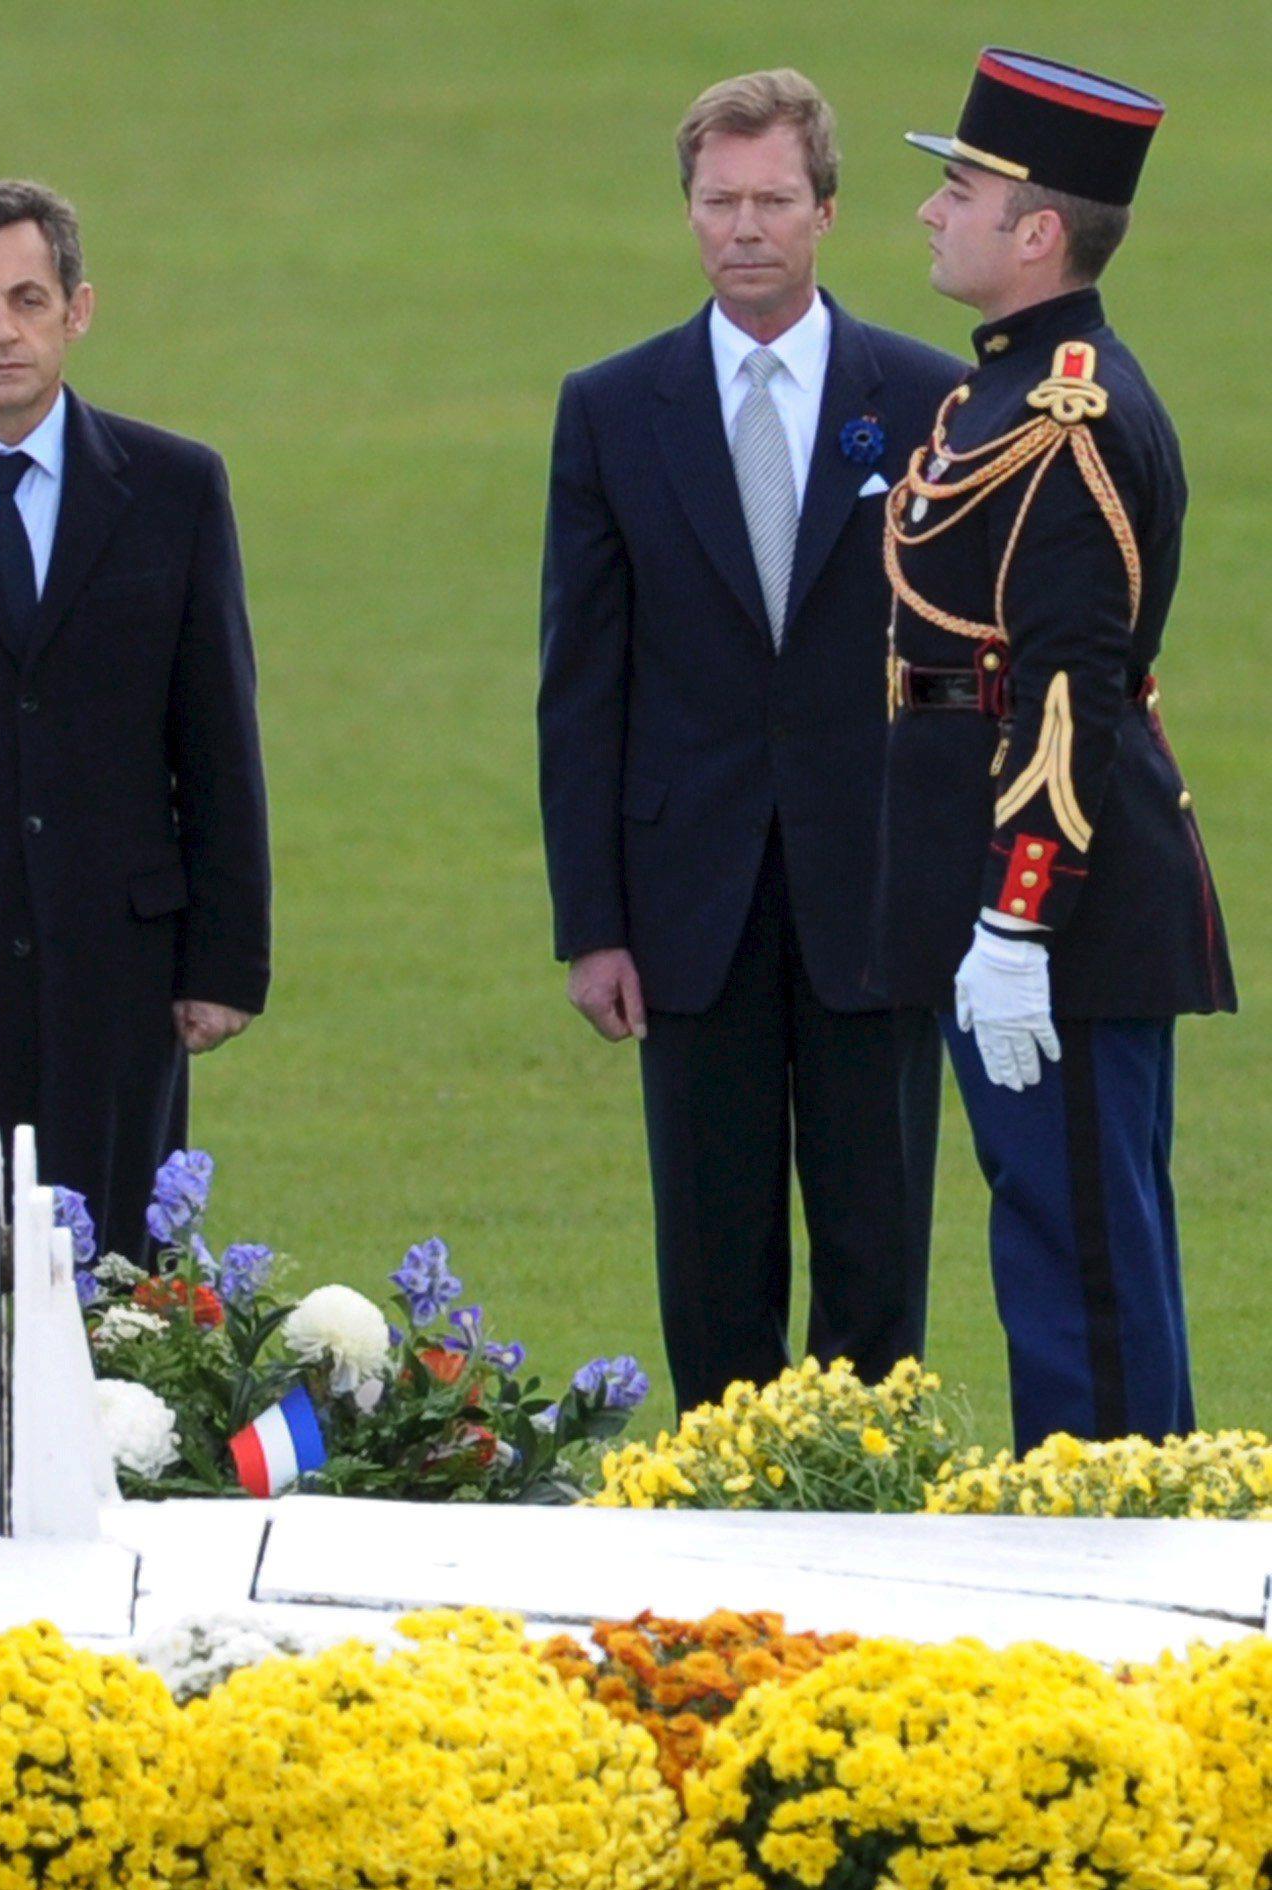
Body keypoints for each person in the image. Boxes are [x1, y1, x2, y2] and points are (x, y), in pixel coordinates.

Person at [538, 71, 960, 1413]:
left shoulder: (930, 399)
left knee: (876, 1244)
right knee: (713, 1259)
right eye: (718, 202)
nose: (744, 229)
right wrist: (590, 922)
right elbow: (579, 682)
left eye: (774, 199)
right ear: (688, 214)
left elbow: (964, 668)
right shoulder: (612, 409)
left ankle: (869, 1516)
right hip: (687, 903)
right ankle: (726, 1523)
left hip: (880, 893)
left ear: (828, 211)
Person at [880, 50, 1233, 1449]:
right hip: (1033, 902)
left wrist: (1018, 918)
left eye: (957, 189)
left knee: (1082, 1260)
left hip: (1058, 912)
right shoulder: (1004, 396)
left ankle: (1122, 1559)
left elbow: (1068, 693)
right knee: (1067, 1235)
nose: (929, 213)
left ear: (1037, 232)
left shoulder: (1064, 417)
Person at [0, 178, 270, 1263]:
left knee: (112, 1288)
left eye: (27, 299)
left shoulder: (175, 488)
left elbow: (218, 735)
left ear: (77, 309)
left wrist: (225, 960)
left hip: (122, 967)